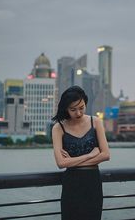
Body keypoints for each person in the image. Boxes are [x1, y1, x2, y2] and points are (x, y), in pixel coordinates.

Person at [51, 86, 110, 220]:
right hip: (71, 183)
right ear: (66, 108)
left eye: (82, 108)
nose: (78, 113)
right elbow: (61, 163)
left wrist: (72, 161)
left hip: (92, 182)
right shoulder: (58, 127)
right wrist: (91, 155)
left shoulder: (95, 122)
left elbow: (106, 155)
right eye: (73, 109)